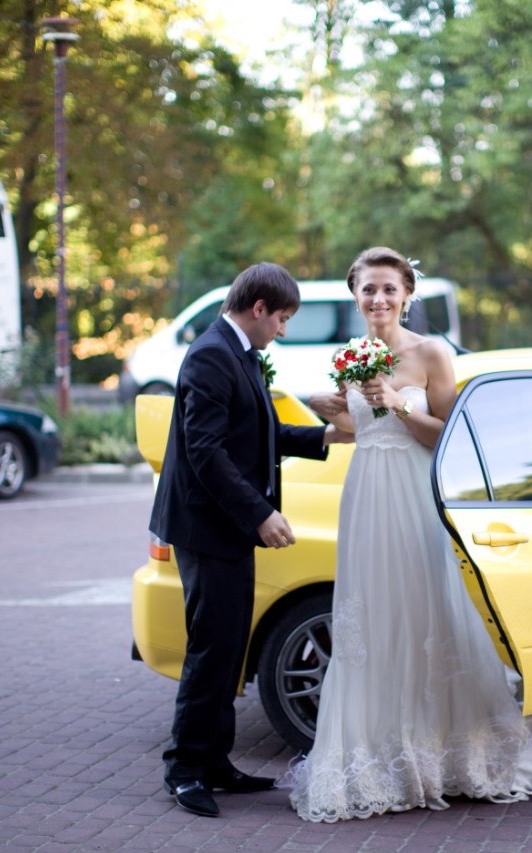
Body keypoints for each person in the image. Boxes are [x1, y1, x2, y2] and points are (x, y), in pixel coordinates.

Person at [286, 247, 532, 822]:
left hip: (415, 496)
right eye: (368, 289)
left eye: (389, 288)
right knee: (370, 619)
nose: (379, 299)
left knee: (425, 612)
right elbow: (357, 430)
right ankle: (376, 756)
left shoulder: (432, 352)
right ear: (355, 296)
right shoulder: (348, 356)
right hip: (366, 497)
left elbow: (447, 434)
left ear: (407, 295)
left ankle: (441, 753)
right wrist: (329, 410)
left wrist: (396, 403)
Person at [148, 262, 351, 819]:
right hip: (206, 528)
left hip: (227, 528)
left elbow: (258, 433)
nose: (283, 329)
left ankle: (215, 762)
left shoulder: (240, 353)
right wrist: (260, 514)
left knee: (231, 646)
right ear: (259, 308)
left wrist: (325, 436)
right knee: (211, 649)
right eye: (282, 318)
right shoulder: (211, 355)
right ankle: (184, 770)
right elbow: (205, 451)